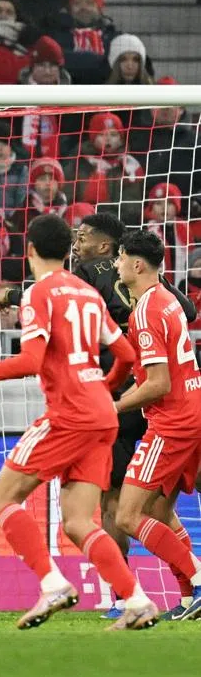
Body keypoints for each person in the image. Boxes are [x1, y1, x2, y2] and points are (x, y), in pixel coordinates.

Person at [0, 213, 157, 631]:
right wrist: (104, 388)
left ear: (29, 250)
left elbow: (30, 362)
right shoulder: (87, 293)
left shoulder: (38, 294)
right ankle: (137, 600)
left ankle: (52, 583)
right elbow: (126, 354)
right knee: (77, 521)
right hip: (101, 415)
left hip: (69, 414)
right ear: (66, 249)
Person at [0, 211, 197, 618]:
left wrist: (14, 295)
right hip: (166, 403)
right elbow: (188, 311)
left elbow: (57, 295)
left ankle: (128, 596)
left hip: (124, 401)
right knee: (158, 508)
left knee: (117, 507)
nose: (77, 244)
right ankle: (188, 592)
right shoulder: (164, 293)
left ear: (110, 248)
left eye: (83, 237)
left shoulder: (87, 278)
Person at [111, 230, 201, 621]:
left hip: (172, 422)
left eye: (119, 258)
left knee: (127, 516)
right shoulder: (168, 301)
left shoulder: (146, 312)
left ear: (137, 264)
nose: (116, 265)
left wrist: (111, 406)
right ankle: (187, 597)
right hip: (192, 410)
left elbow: (158, 384)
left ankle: (198, 581)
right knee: (163, 513)